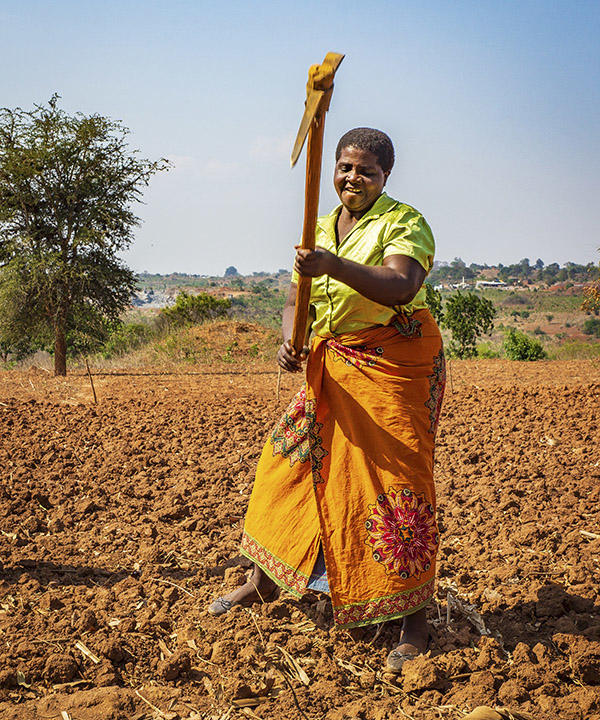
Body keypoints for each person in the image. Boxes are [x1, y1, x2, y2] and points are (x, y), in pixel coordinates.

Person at [208, 127, 445, 672]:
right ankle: (263, 581)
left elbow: (401, 285)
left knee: (397, 485)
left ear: (386, 175)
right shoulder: (318, 229)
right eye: (344, 167)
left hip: (393, 364)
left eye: (365, 170)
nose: (351, 178)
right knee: (285, 465)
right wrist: (292, 337)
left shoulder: (404, 221)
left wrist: (333, 267)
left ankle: (414, 618)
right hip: (332, 363)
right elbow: (298, 297)